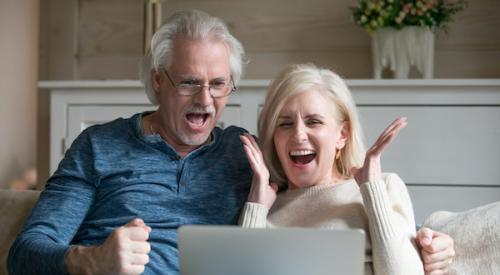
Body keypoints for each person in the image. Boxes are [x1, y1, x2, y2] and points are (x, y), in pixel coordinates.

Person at [8, 10, 453, 275]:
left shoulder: (245, 155)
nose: (206, 100)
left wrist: (429, 245)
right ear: (157, 81)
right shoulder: (98, 146)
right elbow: (25, 254)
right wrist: (92, 261)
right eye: (189, 83)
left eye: (219, 84)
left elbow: (316, 200)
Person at [239, 63, 452, 275]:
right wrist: (256, 206)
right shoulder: (263, 207)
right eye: (285, 124)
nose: (298, 135)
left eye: (313, 122)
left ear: (342, 135)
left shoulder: (383, 187)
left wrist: (372, 190)